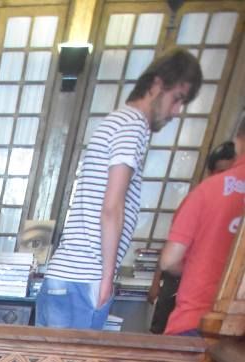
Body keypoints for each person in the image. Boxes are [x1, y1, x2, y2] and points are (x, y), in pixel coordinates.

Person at [36, 49, 203, 330]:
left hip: (62, 273)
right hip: (84, 278)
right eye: (177, 99)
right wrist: (107, 277)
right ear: (157, 85)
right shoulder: (133, 126)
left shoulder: (114, 120)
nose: (176, 112)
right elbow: (112, 207)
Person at [157, 112, 245, 337]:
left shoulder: (208, 191)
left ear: (237, 140)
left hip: (195, 318)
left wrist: (199, 267)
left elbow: (169, 261)